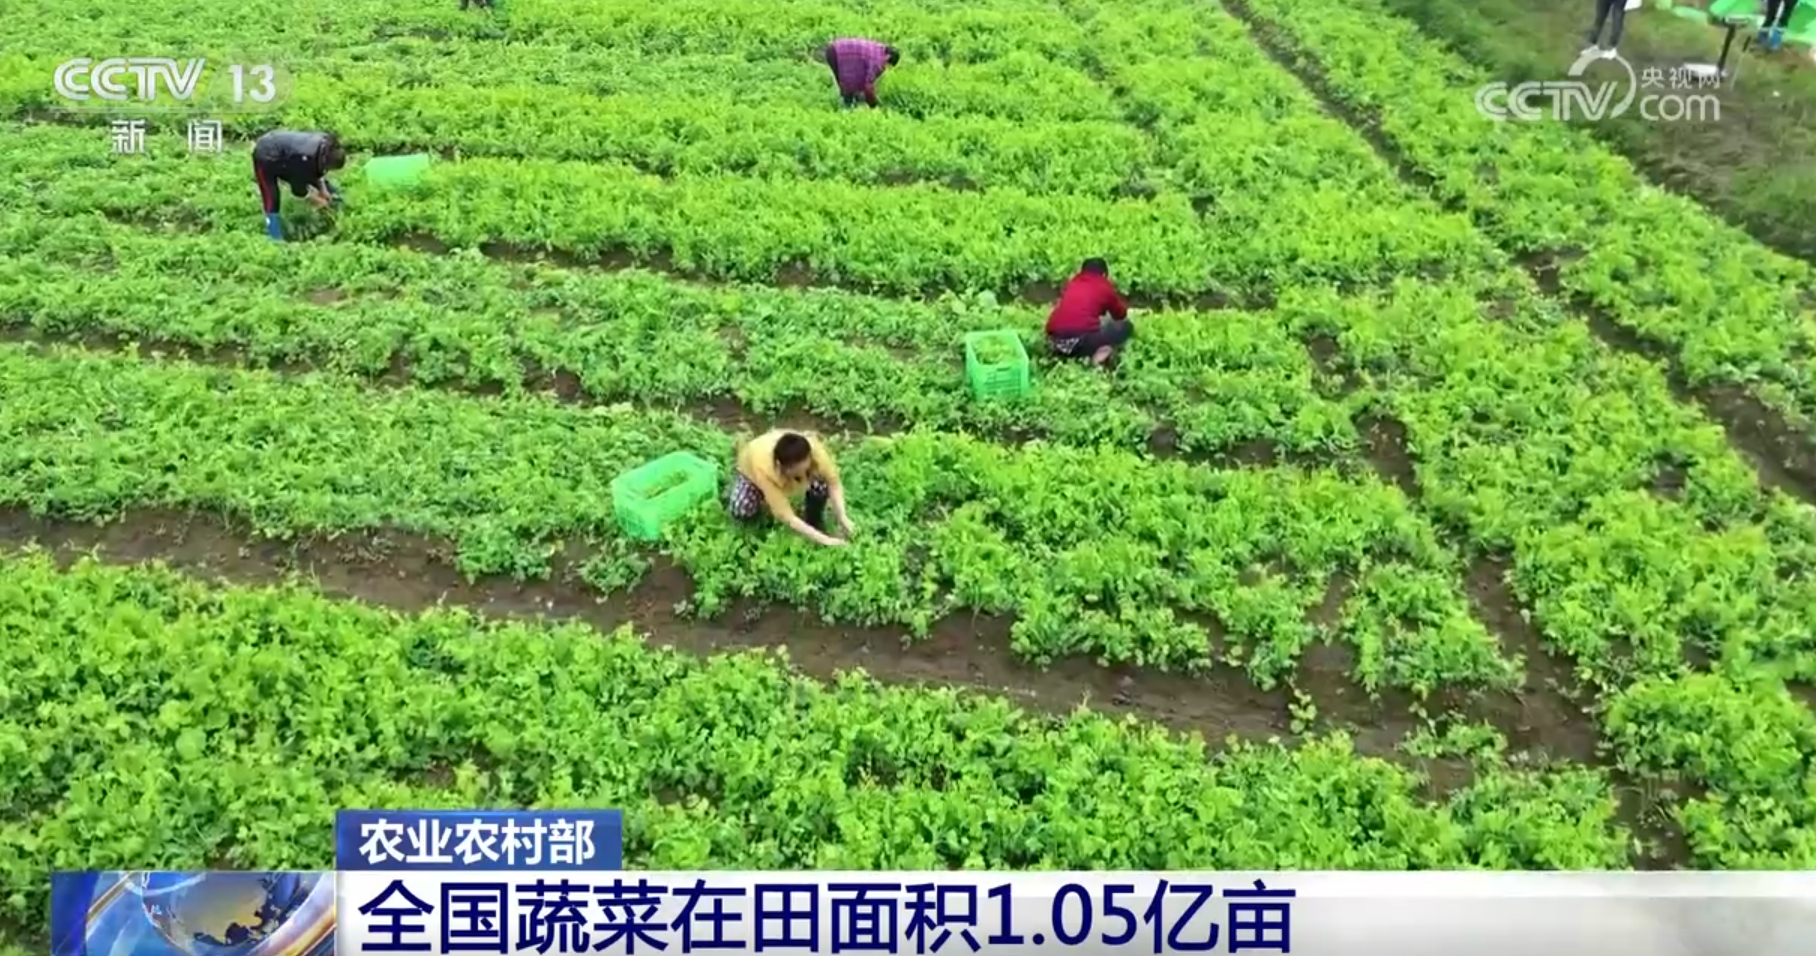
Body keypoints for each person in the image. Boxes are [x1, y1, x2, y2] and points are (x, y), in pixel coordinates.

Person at [727, 429, 854, 547]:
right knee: (741, 507)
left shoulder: (815, 452)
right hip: (751, 472)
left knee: (820, 484)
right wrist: (826, 540)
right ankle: (758, 524)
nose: (803, 476)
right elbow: (787, 517)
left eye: (806, 470)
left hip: (781, 462)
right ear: (780, 466)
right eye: (797, 474)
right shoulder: (764, 468)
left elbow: (833, 483)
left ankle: (813, 520)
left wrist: (843, 518)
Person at [252, 130, 346, 241]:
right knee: (272, 198)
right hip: (266, 155)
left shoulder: (325, 146)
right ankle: (274, 235)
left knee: (331, 191)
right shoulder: (303, 160)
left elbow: (319, 171)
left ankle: (336, 218)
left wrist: (323, 190)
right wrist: (316, 200)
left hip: (290, 156)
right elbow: (298, 190)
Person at [1044, 258, 1133, 368]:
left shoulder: (1073, 283)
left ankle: (1060, 356)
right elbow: (1120, 315)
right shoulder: (1104, 286)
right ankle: (1098, 358)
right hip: (1080, 342)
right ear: (1104, 274)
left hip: (1054, 341)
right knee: (1125, 327)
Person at [824, 37, 900, 109]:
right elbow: (868, 87)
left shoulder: (878, 50)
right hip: (836, 52)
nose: (885, 68)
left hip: (836, 49)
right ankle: (846, 106)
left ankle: (848, 103)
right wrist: (875, 106)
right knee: (847, 85)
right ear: (888, 57)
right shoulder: (877, 62)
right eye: (887, 65)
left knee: (851, 85)